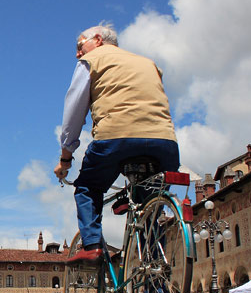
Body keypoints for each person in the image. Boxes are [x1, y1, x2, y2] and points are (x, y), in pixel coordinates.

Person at [54, 23, 179, 264]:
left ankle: (92, 246)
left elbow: (73, 113)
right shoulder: (149, 64)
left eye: (80, 46)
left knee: (87, 188)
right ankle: (155, 273)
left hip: (116, 138)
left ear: (98, 39)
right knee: (150, 207)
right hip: (165, 143)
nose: (78, 53)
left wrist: (65, 158)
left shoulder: (91, 61)